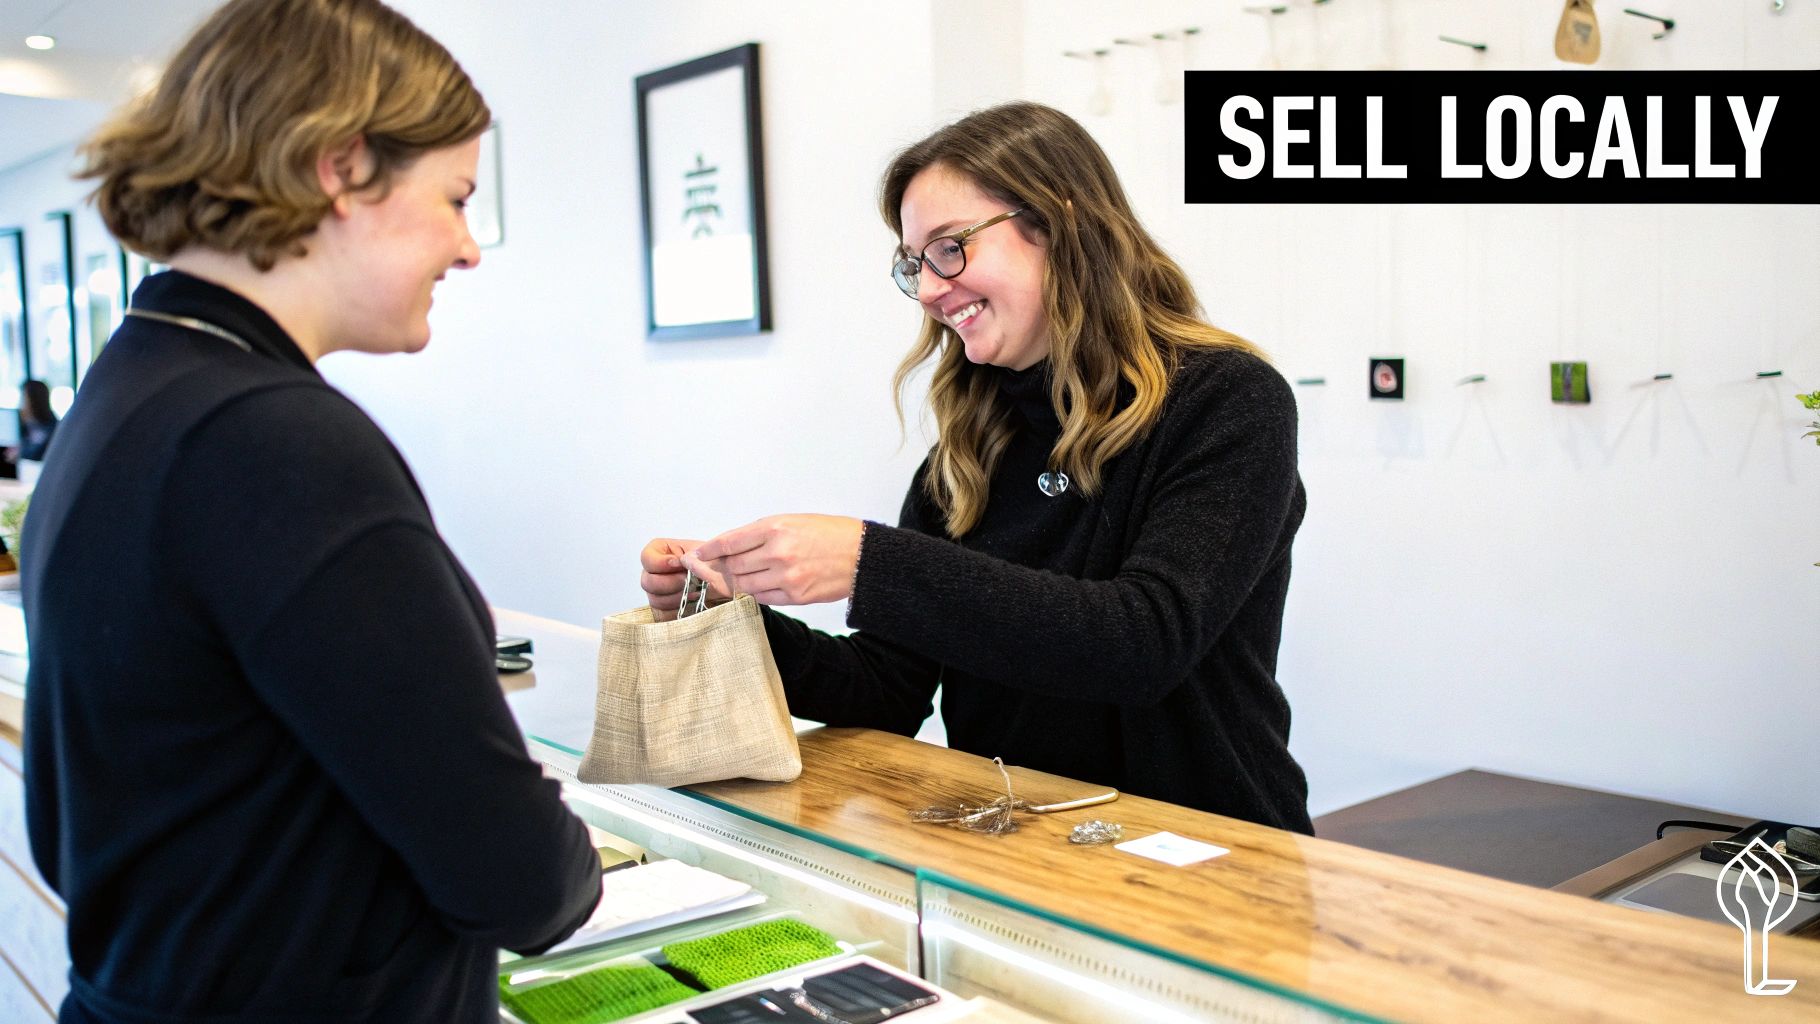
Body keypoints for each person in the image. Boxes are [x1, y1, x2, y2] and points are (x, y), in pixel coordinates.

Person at [22, 2, 600, 1021]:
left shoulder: (130, 384)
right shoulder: (272, 441)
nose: (467, 249)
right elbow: (516, 878)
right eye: (456, 198)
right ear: (341, 167)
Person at [643, 102, 1312, 833]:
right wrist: (726, 615)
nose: (929, 289)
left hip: (1212, 853)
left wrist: (872, 563)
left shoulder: (1228, 402)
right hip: (1022, 850)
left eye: (949, 248)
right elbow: (887, 689)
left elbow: (1142, 643)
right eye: (913, 263)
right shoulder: (969, 446)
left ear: (1059, 225)